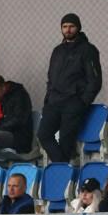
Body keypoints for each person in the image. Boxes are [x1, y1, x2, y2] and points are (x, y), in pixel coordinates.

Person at [38, 14, 102, 164]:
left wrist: (82, 102)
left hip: (73, 102)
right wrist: (48, 98)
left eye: (71, 26)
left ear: (78, 28)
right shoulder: (57, 50)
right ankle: (63, 167)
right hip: (54, 102)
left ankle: (62, 171)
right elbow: (51, 77)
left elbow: (95, 80)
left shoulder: (88, 50)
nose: (68, 30)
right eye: (65, 26)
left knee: (66, 142)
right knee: (43, 134)